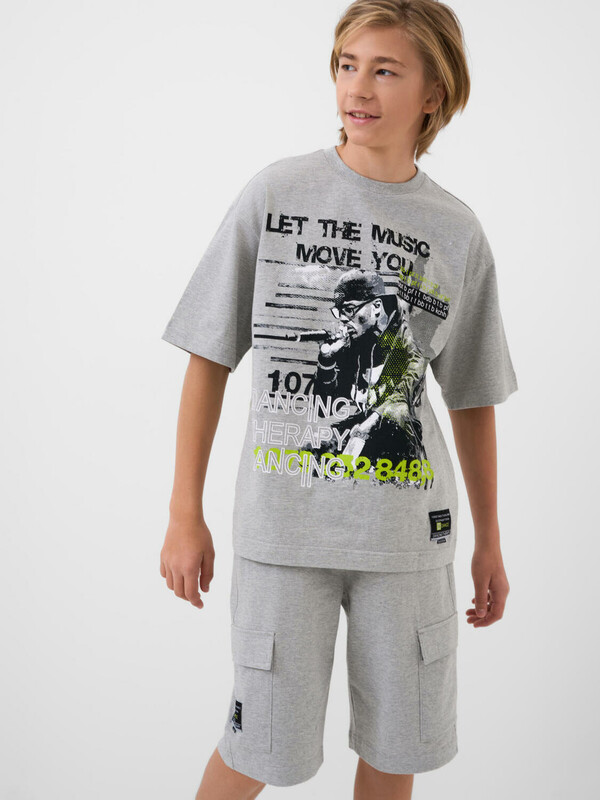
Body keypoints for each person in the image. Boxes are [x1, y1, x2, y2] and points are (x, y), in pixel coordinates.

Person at [159, 1, 518, 797]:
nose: (358, 88)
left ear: (433, 93)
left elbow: (472, 398)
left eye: (385, 70)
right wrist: (185, 512)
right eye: (348, 65)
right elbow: (209, 356)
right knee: (257, 750)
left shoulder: (456, 231)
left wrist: (489, 541)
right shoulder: (275, 193)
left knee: (397, 749)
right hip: (283, 534)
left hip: (408, 542)